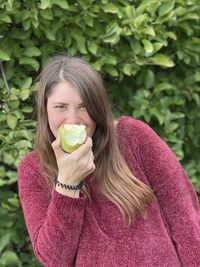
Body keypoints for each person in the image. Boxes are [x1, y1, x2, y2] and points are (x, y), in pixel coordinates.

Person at [18, 55, 200, 267]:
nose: (73, 119)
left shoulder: (134, 137)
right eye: (61, 107)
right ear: (45, 109)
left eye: (84, 106)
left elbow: (186, 221)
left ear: (97, 108)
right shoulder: (32, 169)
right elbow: (54, 259)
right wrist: (67, 183)